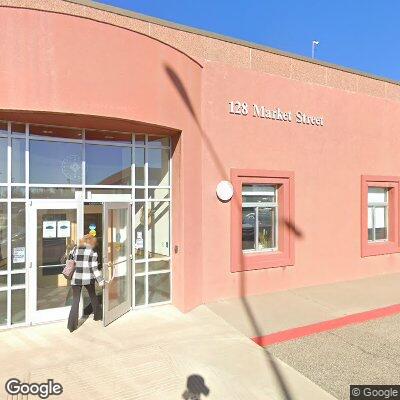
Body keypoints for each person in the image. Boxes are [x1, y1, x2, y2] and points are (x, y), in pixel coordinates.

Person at [67, 233, 104, 332]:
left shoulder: (75, 249)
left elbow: (69, 261)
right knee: (93, 296)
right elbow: (95, 269)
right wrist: (101, 281)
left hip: (76, 278)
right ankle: (98, 316)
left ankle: (71, 326)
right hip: (88, 278)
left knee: (75, 301)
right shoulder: (93, 252)